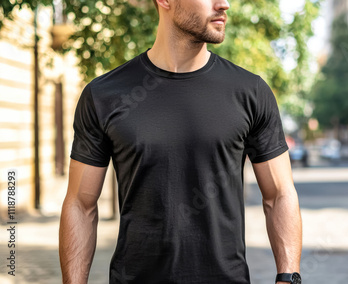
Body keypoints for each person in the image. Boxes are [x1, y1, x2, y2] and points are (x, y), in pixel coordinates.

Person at [58, 0, 303, 283]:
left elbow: (279, 194)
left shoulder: (251, 92)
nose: (223, 4)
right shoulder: (104, 95)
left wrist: (288, 278)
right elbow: (80, 204)